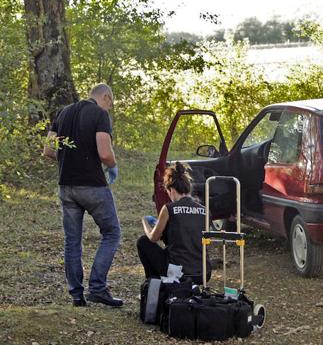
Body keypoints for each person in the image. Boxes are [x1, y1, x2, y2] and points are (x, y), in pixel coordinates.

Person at [43, 83, 123, 307]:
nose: (109, 108)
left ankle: (77, 295)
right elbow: (105, 153)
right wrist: (113, 165)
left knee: (72, 241)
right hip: (92, 187)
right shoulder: (99, 114)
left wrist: (69, 161)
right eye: (111, 103)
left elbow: (48, 150)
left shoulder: (64, 112)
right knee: (112, 233)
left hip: (66, 186)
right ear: (105, 97)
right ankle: (97, 288)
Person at [137, 162, 210, 283]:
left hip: (180, 273)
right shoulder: (205, 210)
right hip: (203, 273)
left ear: (170, 189)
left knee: (143, 242)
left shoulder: (169, 208)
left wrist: (145, 222)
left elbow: (153, 238)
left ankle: (154, 284)